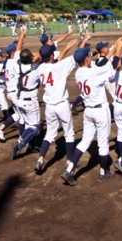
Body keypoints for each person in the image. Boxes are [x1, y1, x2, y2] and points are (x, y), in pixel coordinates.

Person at [61, 40, 122, 186]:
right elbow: (114, 67)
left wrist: (112, 51)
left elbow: (102, 66)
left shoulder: (78, 73)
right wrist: (118, 50)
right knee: (103, 142)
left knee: (85, 141)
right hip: (100, 111)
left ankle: (69, 170)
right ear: (87, 59)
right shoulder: (94, 72)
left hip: (88, 111)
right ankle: (103, 172)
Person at [33, 38, 78, 173]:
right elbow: (76, 56)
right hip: (62, 105)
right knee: (69, 134)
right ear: (52, 56)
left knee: (49, 134)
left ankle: (40, 158)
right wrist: (77, 45)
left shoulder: (39, 69)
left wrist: (67, 47)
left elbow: (56, 61)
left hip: (49, 107)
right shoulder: (59, 66)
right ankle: (69, 162)